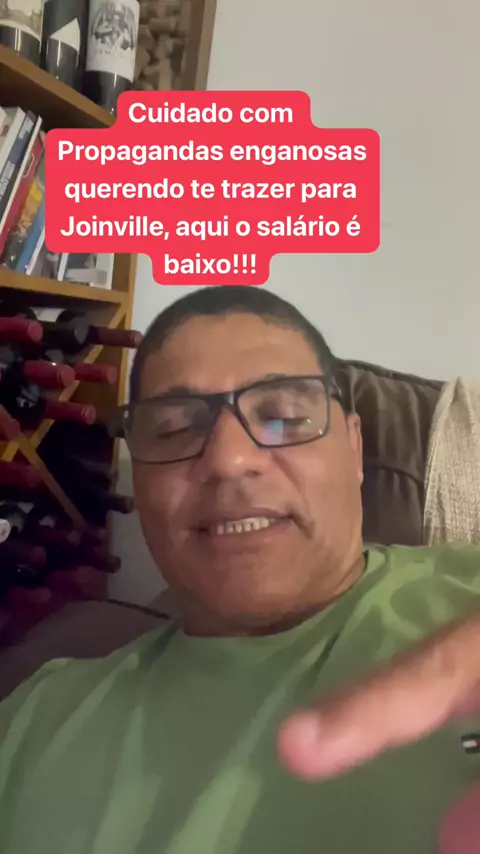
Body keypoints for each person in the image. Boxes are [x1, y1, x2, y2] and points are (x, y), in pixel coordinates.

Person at [0, 286, 479, 854]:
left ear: (354, 450)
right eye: (175, 428)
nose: (229, 461)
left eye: (283, 417)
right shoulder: (39, 714)